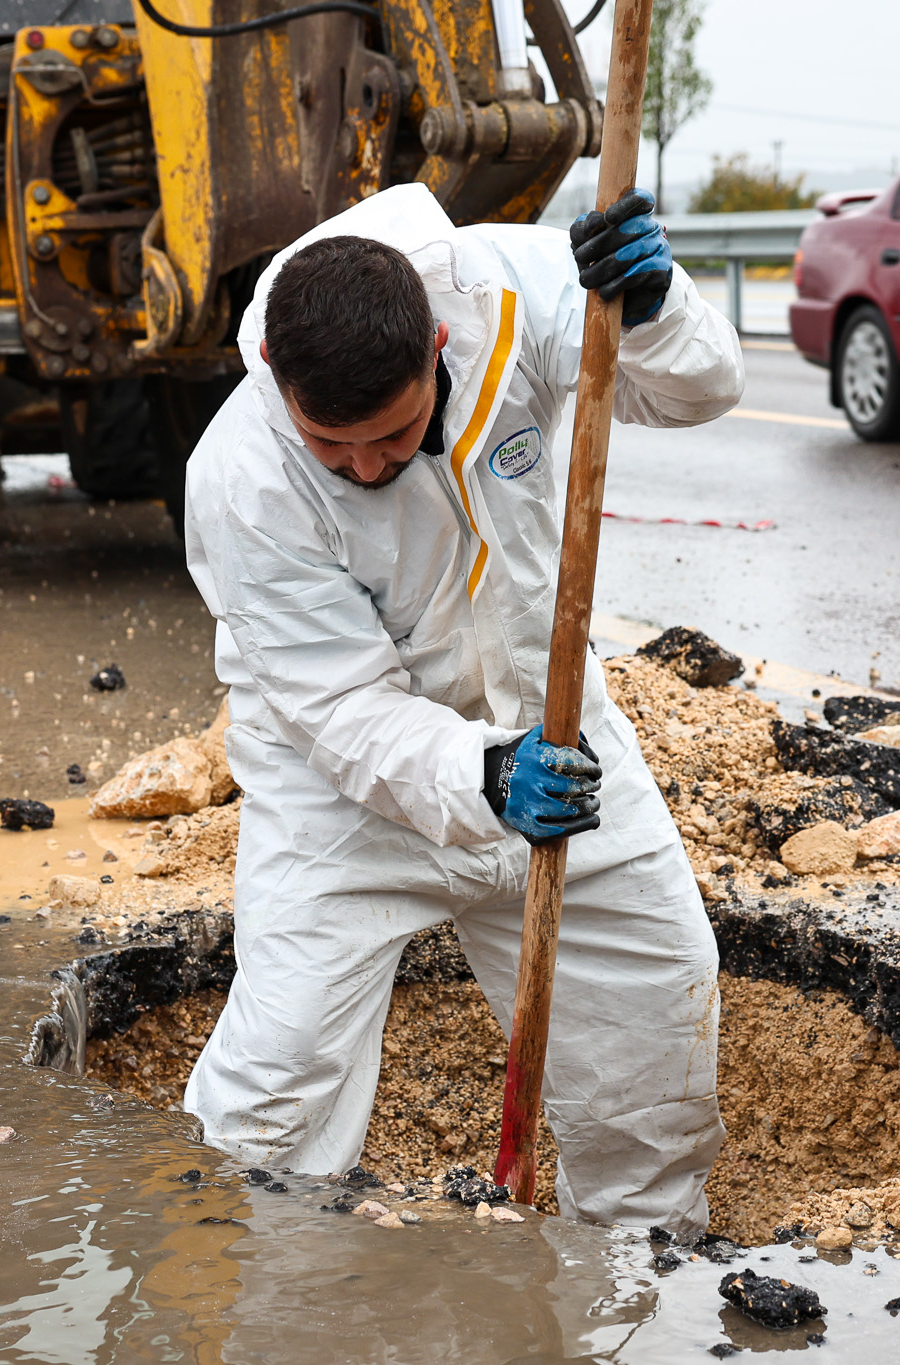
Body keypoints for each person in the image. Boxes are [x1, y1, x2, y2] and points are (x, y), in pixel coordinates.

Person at [180, 181, 743, 1236]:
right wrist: (483, 775)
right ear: (277, 382)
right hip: (343, 792)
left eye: (392, 434)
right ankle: (261, 1287)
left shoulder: (520, 292)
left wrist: (657, 310)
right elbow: (343, 706)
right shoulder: (242, 478)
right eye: (331, 444)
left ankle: (640, 1265)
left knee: (653, 1019)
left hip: (555, 733)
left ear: (437, 344)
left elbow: (696, 393)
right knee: (278, 1084)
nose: (365, 466)